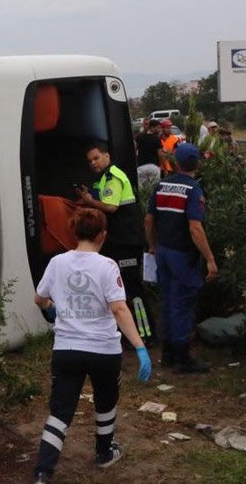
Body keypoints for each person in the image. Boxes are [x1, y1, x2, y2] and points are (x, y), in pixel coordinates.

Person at [32, 208, 151, 484]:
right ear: (103, 235)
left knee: (60, 412)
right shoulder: (107, 266)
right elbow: (120, 309)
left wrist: (52, 309)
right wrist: (140, 347)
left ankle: (42, 472)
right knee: (106, 401)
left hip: (67, 349)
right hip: (103, 350)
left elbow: (39, 298)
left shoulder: (57, 263)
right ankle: (104, 452)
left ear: (75, 233)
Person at [145, 143, 217, 374]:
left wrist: (153, 245)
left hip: (164, 253)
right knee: (183, 305)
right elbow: (195, 228)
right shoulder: (194, 190)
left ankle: (167, 353)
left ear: (176, 163)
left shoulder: (161, 185)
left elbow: (148, 220)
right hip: (182, 256)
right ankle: (183, 358)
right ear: (197, 164)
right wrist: (210, 258)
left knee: (167, 301)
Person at [77, 143, 155, 345]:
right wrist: (89, 197)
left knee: (132, 288)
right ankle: (129, 334)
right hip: (118, 241)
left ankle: (146, 335)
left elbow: (111, 207)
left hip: (127, 241)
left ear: (107, 156)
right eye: (90, 161)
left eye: (96, 158)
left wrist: (89, 201)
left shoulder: (113, 176)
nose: (93, 163)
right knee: (118, 290)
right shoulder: (103, 178)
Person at [136, 120, 163, 188]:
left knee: (142, 191)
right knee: (154, 189)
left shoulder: (140, 136)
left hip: (141, 167)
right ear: (152, 127)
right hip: (153, 167)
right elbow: (160, 154)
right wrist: (161, 165)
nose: (159, 130)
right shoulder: (157, 138)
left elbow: (134, 149)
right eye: (158, 128)